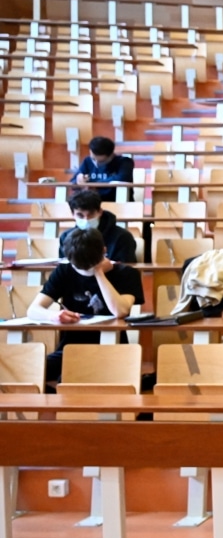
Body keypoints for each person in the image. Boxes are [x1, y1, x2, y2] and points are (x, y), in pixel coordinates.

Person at [27, 227, 144, 383]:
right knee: (29, 373)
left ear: (104, 251)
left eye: (89, 266)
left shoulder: (126, 273)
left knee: (69, 378)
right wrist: (54, 315)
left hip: (111, 348)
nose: (84, 270)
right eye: (78, 266)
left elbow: (120, 311)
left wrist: (99, 273)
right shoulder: (64, 271)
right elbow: (33, 310)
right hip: (70, 349)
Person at [59, 189, 138, 264]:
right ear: (73, 214)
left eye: (91, 214)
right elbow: (64, 269)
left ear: (100, 212)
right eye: (80, 215)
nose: (86, 219)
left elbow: (126, 271)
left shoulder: (123, 237)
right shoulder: (66, 237)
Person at [71, 137, 134, 202]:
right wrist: (79, 179)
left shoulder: (124, 162)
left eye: (101, 161)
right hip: (90, 203)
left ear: (111, 155)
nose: (96, 163)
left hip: (115, 201)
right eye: (93, 159)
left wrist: (92, 183)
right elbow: (73, 182)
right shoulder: (87, 161)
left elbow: (121, 179)